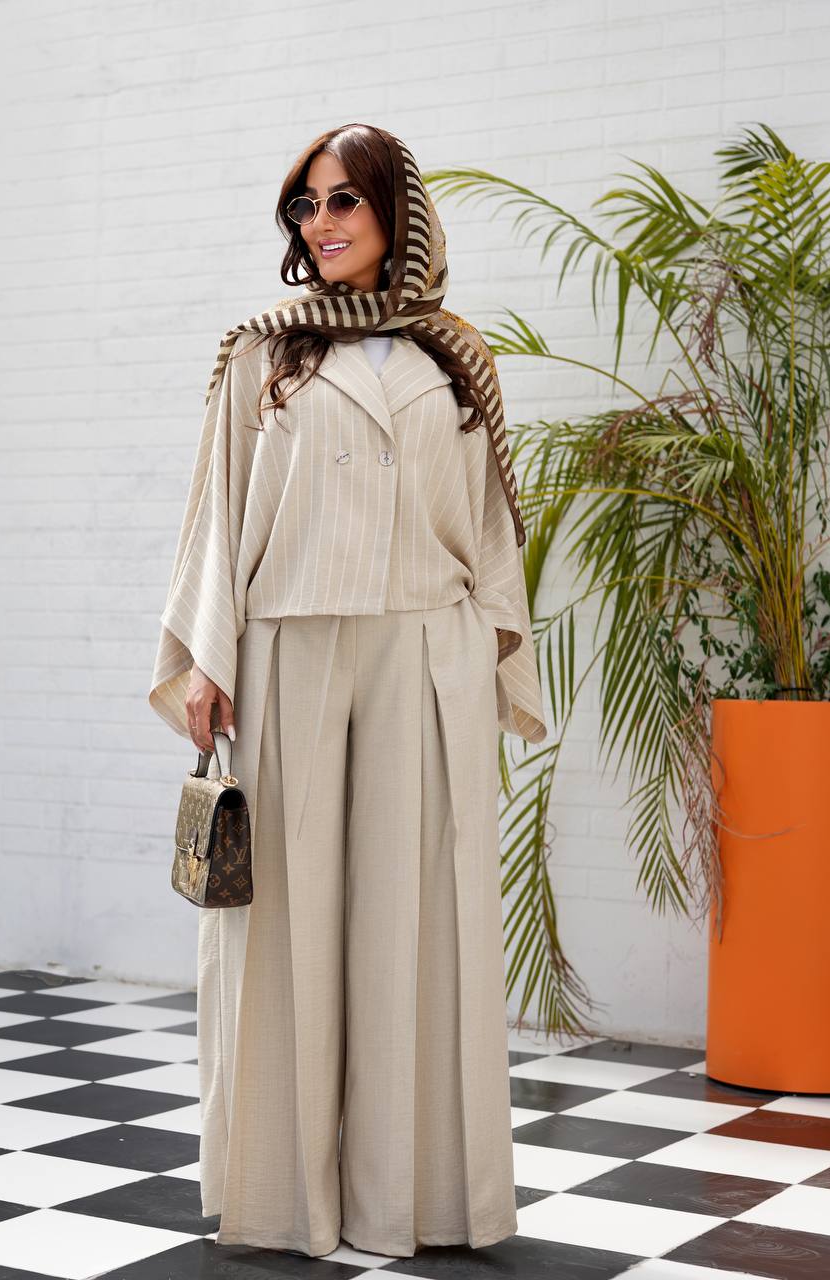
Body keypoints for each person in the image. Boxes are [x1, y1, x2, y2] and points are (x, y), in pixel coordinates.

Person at [148, 122, 548, 1259]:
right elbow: (219, 509)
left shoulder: (457, 360)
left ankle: (411, 1200)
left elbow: (489, 524)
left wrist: (490, 656)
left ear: (395, 213)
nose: (320, 224)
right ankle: (286, 1201)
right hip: (289, 648)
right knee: (282, 927)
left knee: (416, 926)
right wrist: (208, 656)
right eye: (306, 205)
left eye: (343, 201)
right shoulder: (261, 352)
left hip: (427, 651)